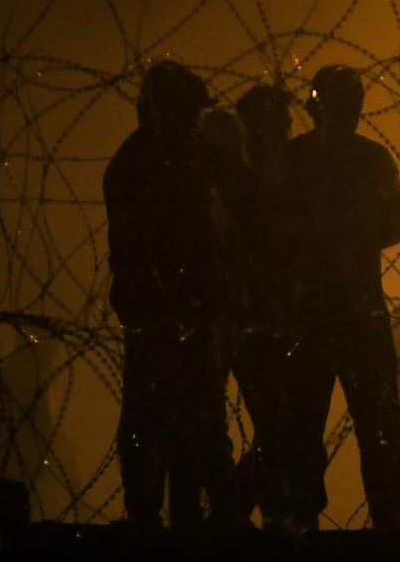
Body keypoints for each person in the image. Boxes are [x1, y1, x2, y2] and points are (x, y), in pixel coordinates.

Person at [104, 61, 240, 528]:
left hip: (180, 312)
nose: (193, 121)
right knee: (170, 417)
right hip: (168, 315)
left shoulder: (174, 159)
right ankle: (165, 515)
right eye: (186, 111)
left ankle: (185, 513)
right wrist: (185, 305)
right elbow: (144, 247)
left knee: (185, 418)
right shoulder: (145, 164)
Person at [280, 64, 400, 532]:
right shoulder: (369, 158)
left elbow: (272, 227)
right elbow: (397, 225)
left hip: (319, 307)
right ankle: (383, 517)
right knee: (368, 419)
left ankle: (307, 514)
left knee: (309, 420)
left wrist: (332, 234)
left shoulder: (297, 157)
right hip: (349, 306)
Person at [229, 84, 295, 530]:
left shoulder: (281, 176)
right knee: (277, 425)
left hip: (277, 316)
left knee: (280, 424)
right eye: (281, 125)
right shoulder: (241, 182)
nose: (288, 133)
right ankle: (239, 508)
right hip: (251, 318)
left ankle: (256, 509)